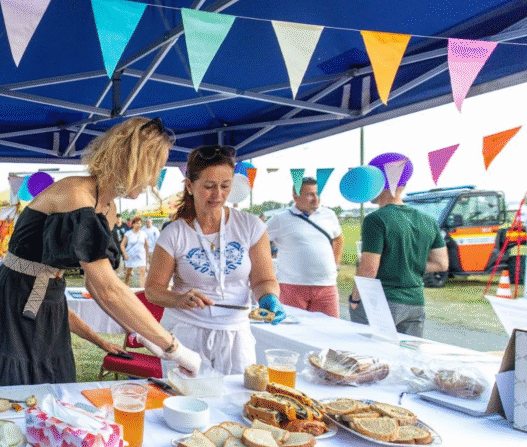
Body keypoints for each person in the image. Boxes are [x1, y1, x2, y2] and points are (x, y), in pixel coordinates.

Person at [0, 117, 201, 387]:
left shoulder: (108, 209)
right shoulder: (75, 193)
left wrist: (143, 335)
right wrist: (174, 348)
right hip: (14, 298)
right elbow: (109, 289)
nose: (153, 180)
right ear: (132, 162)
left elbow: (96, 284)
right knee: (11, 384)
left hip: (50, 298)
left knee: (51, 380)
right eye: (154, 169)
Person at [145, 145, 285, 374]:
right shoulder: (174, 233)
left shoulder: (250, 226)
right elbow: (153, 290)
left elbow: (264, 280)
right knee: (185, 393)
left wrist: (269, 297)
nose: (218, 194)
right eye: (209, 186)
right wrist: (180, 299)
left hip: (235, 334)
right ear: (189, 186)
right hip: (186, 333)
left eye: (225, 185)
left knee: (237, 394)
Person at [0, 258, 122, 388]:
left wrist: (102, 343)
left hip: (31, 341)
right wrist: (11, 331)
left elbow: (65, 316)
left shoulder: (47, 277)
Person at [349, 153, 447, 337]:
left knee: (368, 352)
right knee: (407, 354)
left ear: (379, 183)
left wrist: (355, 299)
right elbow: (441, 264)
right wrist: (407, 265)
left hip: (381, 300)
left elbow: (369, 269)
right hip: (415, 303)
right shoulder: (429, 220)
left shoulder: (376, 220)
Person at [265, 176, 344, 317]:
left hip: (326, 287)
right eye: (310, 194)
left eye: (317, 193)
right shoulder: (280, 219)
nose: (316, 199)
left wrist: (336, 263)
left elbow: (338, 238)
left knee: (329, 329)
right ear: (295, 196)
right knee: (291, 328)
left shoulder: (329, 215)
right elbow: (258, 240)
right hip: (292, 287)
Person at [121, 216, 148, 286]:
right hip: (130, 256)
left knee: (142, 272)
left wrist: (147, 256)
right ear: (133, 224)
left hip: (141, 255)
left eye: (140, 223)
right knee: (128, 273)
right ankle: (126, 286)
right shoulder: (128, 233)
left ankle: (143, 288)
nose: (139, 225)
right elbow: (122, 245)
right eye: (137, 223)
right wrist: (125, 254)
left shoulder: (143, 233)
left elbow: (146, 245)